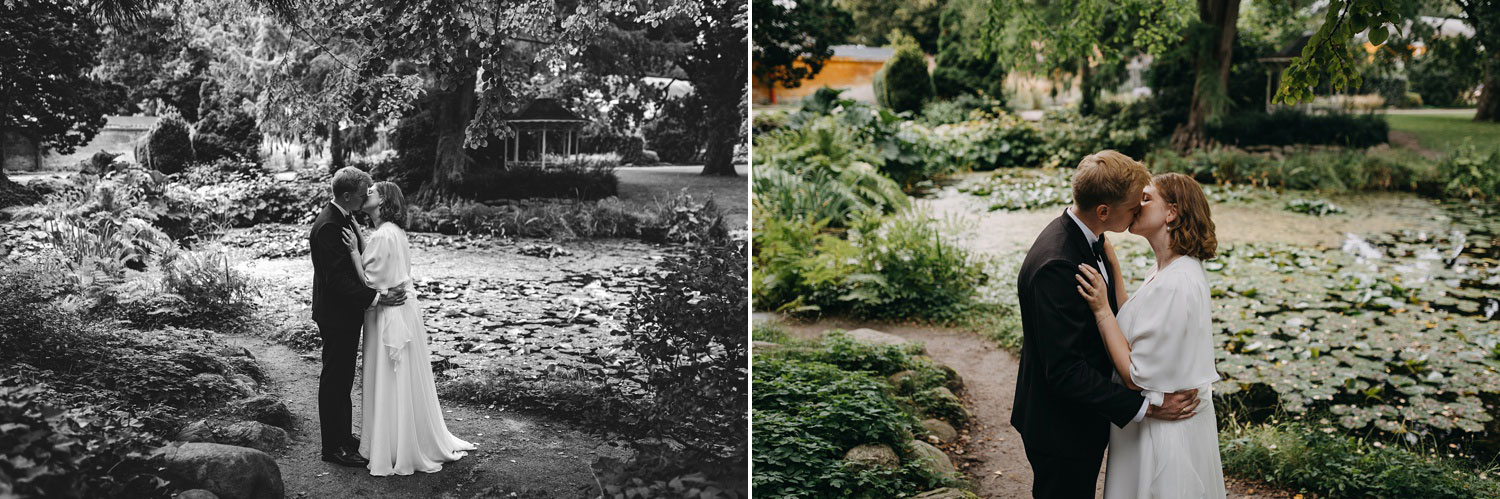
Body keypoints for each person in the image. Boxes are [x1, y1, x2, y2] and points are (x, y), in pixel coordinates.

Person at [1010, 150, 1201, 498]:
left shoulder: (1090, 242)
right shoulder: (1058, 264)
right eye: (1133, 205)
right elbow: (1066, 371)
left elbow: (1117, 320)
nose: (1137, 212)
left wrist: (1112, 273)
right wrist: (1148, 407)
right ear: (1103, 212)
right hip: (1060, 428)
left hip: (1081, 420)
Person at [1076, 172, 1226, 498]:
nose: (1135, 204)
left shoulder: (1176, 284)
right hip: (1150, 427)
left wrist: (1102, 309)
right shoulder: (1166, 270)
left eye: (1146, 198)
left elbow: (1134, 375)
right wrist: (1113, 266)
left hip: (1163, 434)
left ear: (1171, 212)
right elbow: (1140, 323)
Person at [342, 181, 477, 476]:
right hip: (403, 311)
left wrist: (354, 252)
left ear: (383, 202)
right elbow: (383, 264)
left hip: (387, 314)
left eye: (372, 192)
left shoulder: (382, 236)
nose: (366, 194)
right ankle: (402, 438)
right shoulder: (395, 233)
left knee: (389, 377)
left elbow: (368, 281)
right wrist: (364, 243)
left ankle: (390, 446)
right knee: (401, 378)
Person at [309, 167, 406, 468]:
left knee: (343, 380)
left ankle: (343, 437)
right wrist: (378, 298)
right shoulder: (328, 226)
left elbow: (356, 265)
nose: (367, 195)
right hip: (336, 314)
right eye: (363, 192)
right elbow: (337, 281)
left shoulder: (345, 217)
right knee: (334, 380)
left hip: (346, 313)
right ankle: (332, 447)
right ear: (348, 195)